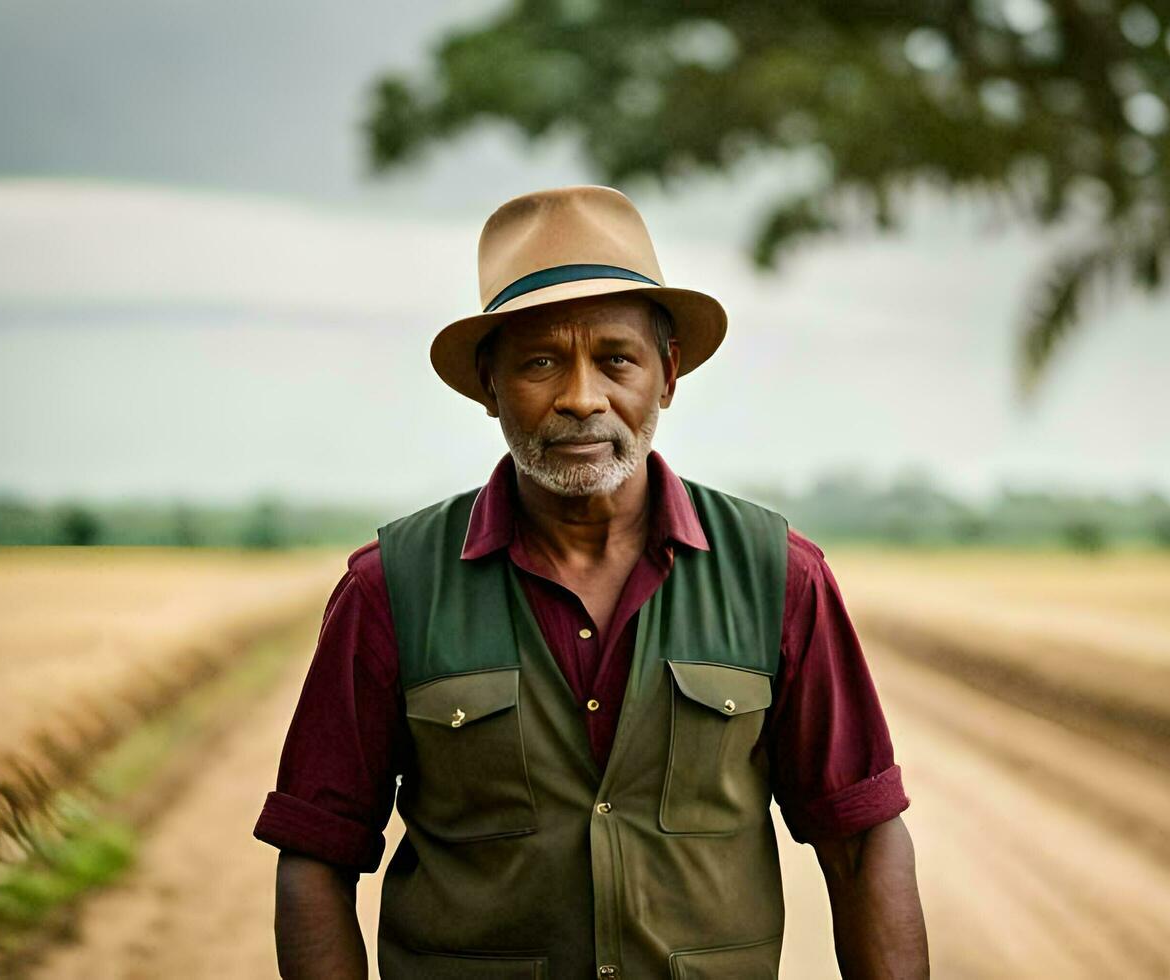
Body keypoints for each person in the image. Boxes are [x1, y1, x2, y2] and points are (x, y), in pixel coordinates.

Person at [253, 185, 929, 979]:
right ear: (488, 384)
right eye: (540, 362)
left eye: (616, 359)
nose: (581, 398)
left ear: (666, 375)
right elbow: (314, 859)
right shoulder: (389, 589)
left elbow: (861, 842)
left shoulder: (779, 576)